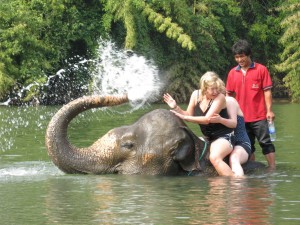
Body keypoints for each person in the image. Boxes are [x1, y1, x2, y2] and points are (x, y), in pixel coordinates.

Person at [163, 71, 235, 176]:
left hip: (224, 136)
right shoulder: (195, 95)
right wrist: (175, 107)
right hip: (208, 137)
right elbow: (188, 114)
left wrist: (185, 117)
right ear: (204, 88)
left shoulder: (220, 98)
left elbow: (207, 119)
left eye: (217, 88)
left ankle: (236, 185)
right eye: (212, 89)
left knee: (214, 158)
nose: (215, 91)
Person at [226, 39, 276, 169]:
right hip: (241, 118)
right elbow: (228, 96)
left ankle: (272, 169)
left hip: (259, 116)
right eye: (236, 57)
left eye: (242, 56)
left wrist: (269, 111)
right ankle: (252, 169)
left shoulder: (261, 70)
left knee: (265, 142)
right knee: (248, 146)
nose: (239, 60)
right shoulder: (232, 73)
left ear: (248, 55)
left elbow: (267, 92)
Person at [210, 96, 251, 177]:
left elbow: (233, 124)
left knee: (234, 158)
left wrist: (220, 119)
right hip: (225, 141)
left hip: (241, 143)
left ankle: (238, 185)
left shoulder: (229, 101)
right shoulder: (211, 104)